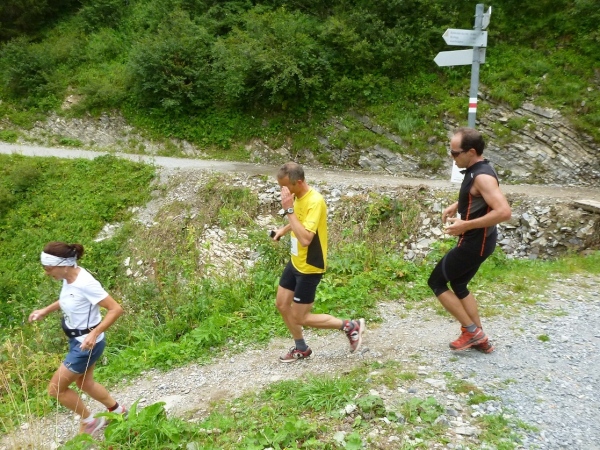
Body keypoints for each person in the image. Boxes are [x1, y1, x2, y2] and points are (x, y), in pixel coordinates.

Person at [428, 128, 512, 353]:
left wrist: (465, 225)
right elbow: (479, 196)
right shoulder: (477, 170)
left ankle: (471, 332)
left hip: (475, 243)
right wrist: (458, 204)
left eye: (455, 153)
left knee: (436, 282)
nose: (452, 157)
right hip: (480, 241)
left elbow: (504, 212)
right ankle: (480, 338)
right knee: (459, 284)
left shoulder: (482, 176)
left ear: (471, 152)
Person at [271, 162, 365, 363]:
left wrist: (288, 210)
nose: (283, 192)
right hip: (296, 261)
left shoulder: (315, 201)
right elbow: (299, 220)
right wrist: (283, 230)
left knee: (301, 317)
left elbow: (306, 238)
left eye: (286, 187)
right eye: (281, 187)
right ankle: (301, 348)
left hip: (310, 266)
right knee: (282, 304)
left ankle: (350, 326)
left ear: (299, 182)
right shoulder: (297, 197)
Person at [29, 242, 126, 435]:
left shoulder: (85, 283)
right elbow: (69, 298)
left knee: (56, 389)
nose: (47, 273)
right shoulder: (69, 277)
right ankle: (117, 411)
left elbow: (116, 309)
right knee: (85, 384)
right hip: (78, 341)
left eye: (49, 268)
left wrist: (94, 333)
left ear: (63, 265)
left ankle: (89, 421)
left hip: (86, 345)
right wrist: (45, 310)